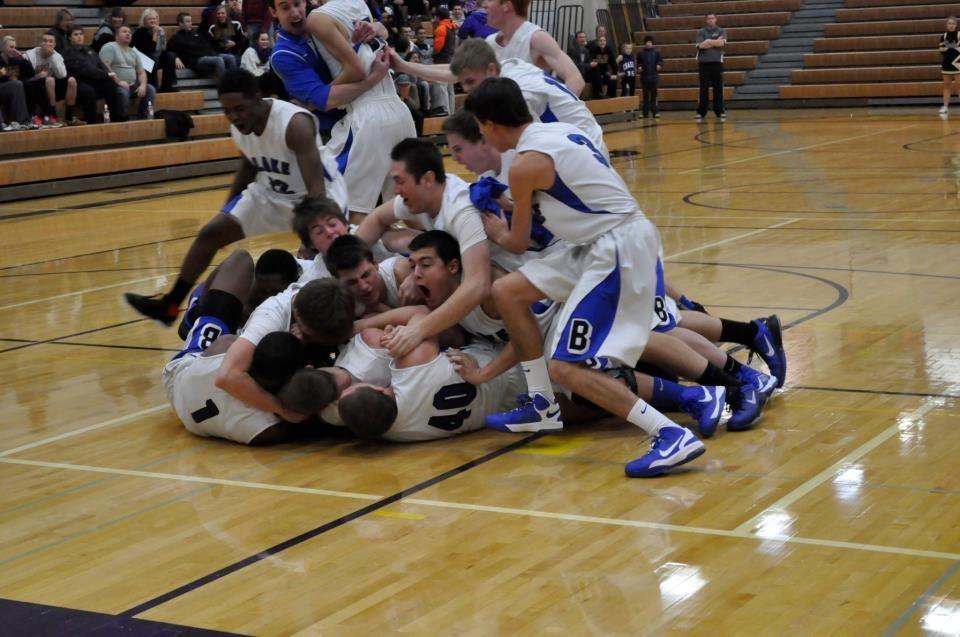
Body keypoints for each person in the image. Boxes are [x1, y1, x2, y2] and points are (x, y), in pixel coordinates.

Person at [465, 77, 706, 477]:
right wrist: (509, 199)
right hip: (600, 239)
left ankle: (668, 433)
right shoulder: (560, 131)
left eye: (479, 127)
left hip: (617, 249)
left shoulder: (525, 164)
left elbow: (519, 241)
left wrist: (495, 228)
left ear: (490, 124)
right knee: (508, 291)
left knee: (566, 367)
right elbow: (572, 195)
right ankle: (542, 404)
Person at [124, 69, 347, 325]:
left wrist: (311, 235)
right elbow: (248, 166)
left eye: (239, 109)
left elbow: (316, 189)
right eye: (227, 110)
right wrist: (226, 213)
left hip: (316, 196)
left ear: (257, 98)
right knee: (210, 234)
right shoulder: (241, 127)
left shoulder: (294, 124)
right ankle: (170, 306)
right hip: (273, 191)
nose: (233, 116)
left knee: (326, 260)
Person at [163, 251, 337, 445]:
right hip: (189, 407)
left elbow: (231, 372)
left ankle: (197, 311)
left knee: (240, 260)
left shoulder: (228, 346)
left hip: (179, 383)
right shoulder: (271, 427)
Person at [356, 138, 491, 357]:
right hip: (463, 283)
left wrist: (417, 331)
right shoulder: (423, 196)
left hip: (502, 299)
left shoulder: (461, 211)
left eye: (400, 181)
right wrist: (350, 264)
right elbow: (377, 218)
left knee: (401, 254)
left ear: (427, 178)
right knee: (392, 240)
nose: (395, 189)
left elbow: (478, 285)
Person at [303, 0, 417, 221]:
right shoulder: (359, 3)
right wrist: (376, 28)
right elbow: (381, 29)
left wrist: (318, 98)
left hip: (368, 115)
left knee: (349, 211)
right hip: (399, 111)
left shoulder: (318, 17)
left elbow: (357, 70)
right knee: (407, 208)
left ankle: (319, 252)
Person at [394, 38, 605, 154]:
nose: (467, 89)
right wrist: (404, 65)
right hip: (569, 141)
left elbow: (534, 148)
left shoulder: (517, 93)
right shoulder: (506, 67)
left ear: (491, 70)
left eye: (470, 83)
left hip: (585, 147)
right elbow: (453, 73)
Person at [215, 278, 356, 421]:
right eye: (311, 336)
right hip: (273, 379)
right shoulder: (268, 319)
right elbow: (227, 376)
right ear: (297, 314)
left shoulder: (337, 297)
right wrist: (282, 409)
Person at [268, 0, 389, 137]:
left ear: (304, 2)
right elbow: (326, 100)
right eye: (285, 8)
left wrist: (373, 27)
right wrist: (373, 80)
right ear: (273, 12)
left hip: (361, 114)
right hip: (326, 132)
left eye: (297, 4)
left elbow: (383, 32)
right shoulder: (283, 55)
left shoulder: (323, 21)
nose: (295, 13)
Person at [483, 0, 584, 95]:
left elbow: (576, 80)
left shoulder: (536, 38)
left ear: (506, 5)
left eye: (490, 0)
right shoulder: (490, 41)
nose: (484, 4)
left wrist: (556, 111)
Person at [325, 234, 419, 314]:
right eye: (352, 282)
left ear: (375, 264)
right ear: (339, 283)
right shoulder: (344, 304)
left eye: (366, 275)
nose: (363, 287)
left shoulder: (401, 272)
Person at [62, 26, 123, 124]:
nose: (79, 37)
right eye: (76, 34)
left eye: (81, 34)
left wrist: (107, 74)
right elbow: (87, 70)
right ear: (70, 38)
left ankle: (115, 118)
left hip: (93, 80)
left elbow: (100, 63)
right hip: (78, 83)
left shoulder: (88, 49)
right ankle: (92, 122)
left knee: (110, 85)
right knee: (89, 91)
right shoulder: (68, 52)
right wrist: (106, 74)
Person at [99, 26, 156, 121]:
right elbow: (104, 65)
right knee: (123, 92)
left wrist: (142, 85)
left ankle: (143, 118)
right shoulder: (110, 47)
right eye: (124, 31)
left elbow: (141, 72)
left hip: (133, 85)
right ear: (116, 36)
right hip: (114, 84)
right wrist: (118, 81)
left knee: (150, 89)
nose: (128, 34)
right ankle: (123, 118)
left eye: (129, 32)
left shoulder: (133, 51)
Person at [25, 33, 80, 126]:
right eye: (45, 41)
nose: (47, 44)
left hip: (54, 87)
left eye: (51, 42)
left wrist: (52, 58)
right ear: (40, 43)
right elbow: (26, 78)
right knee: (50, 80)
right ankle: (53, 115)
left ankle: (69, 117)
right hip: (37, 88)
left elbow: (62, 75)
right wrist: (38, 76)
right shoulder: (30, 55)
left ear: (54, 45)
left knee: (72, 81)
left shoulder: (57, 56)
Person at [168, 12, 238, 80]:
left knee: (231, 57)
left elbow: (211, 43)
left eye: (191, 21)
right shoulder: (176, 38)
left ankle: (234, 82)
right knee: (219, 60)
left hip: (210, 55)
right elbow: (168, 50)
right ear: (180, 23)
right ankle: (225, 87)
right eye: (187, 21)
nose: (190, 23)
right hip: (197, 60)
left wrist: (222, 46)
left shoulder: (198, 33)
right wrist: (175, 58)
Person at [132, 8, 178, 93]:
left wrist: (162, 36)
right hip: (141, 59)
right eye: (150, 19)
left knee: (170, 56)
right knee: (153, 57)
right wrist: (154, 35)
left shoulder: (158, 30)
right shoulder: (140, 32)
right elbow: (149, 49)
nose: (153, 21)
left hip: (155, 58)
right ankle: (153, 86)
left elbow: (164, 49)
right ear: (144, 20)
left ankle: (167, 86)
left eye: (155, 18)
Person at [696, 13, 727, 122]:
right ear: (706, 20)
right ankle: (701, 112)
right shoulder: (701, 32)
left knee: (718, 88)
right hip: (703, 63)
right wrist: (713, 42)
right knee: (703, 89)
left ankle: (720, 111)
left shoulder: (721, 31)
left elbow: (721, 44)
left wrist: (708, 41)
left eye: (712, 18)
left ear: (716, 19)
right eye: (708, 18)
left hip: (717, 63)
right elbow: (700, 46)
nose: (711, 20)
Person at [241, 31, 287, 98]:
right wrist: (265, 73)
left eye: (267, 39)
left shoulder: (269, 52)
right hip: (250, 78)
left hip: (264, 77)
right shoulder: (250, 51)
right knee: (273, 78)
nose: (265, 42)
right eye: (262, 40)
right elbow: (252, 71)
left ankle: (285, 100)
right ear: (256, 40)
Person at [0, 37, 31, 129]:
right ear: (2, 48)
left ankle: (23, 121)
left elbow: (31, 73)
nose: (14, 50)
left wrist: (22, 58)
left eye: (15, 47)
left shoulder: (16, 60)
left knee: (18, 84)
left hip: (8, 91)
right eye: (11, 47)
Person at [939, 16, 959, 116]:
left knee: (959, 87)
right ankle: (945, 106)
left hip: (958, 64)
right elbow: (942, 49)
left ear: (956, 25)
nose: (951, 25)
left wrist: (950, 46)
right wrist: (952, 46)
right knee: (946, 86)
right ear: (946, 25)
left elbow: (956, 48)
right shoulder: (944, 36)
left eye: (953, 24)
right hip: (947, 64)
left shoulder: (959, 34)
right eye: (949, 24)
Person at [638, 36, 662, 117]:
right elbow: (638, 62)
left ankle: (655, 112)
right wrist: (639, 66)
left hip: (654, 78)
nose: (648, 44)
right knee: (645, 96)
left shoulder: (656, 53)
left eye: (650, 42)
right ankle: (645, 113)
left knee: (654, 96)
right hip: (644, 78)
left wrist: (659, 65)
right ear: (645, 44)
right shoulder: (641, 53)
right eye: (647, 42)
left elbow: (660, 61)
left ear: (652, 43)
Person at [587, 34, 617, 99]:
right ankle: (598, 94)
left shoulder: (608, 50)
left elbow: (613, 63)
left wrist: (614, 73)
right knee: (596, 75)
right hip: (597, 72)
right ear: (598, 42)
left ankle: (611, 97)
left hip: (605, 71)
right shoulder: (594, 50)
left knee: (612, 79)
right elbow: (592, 63)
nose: (602, 42)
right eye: (600, 41)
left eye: (604, 40)